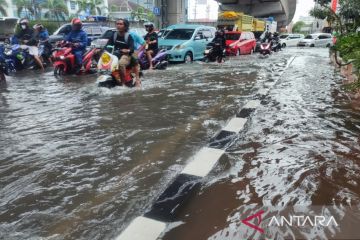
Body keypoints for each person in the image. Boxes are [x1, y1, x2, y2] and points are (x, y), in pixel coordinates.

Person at [106, 18, 135, 86]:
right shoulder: (114, 35)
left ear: (125, 26)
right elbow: (108, 45)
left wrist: (127, 50)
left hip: (126, 55)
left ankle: (123, 83)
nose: (118, 25)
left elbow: (132, 48)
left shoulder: (128, 36)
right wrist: (102, 51)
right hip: (116, 54)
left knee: (121, 64)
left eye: (120, 24)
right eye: (117, 24)